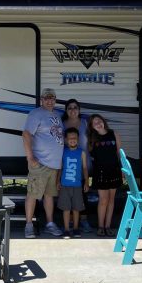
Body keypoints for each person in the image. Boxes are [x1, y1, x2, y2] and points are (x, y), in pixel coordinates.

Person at [22, 88, 65, 238]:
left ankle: (50, 224)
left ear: (55, 99)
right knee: (33, 194)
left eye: (52, 97)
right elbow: (26, 134)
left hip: (54, 165)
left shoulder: (57, 115)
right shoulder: (36, 114)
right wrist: (30, 157)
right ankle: (28, 225)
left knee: (49, 196)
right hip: (40, 163)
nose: (49, 100)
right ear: (41, 100)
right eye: (46, 98)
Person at [61, 99, 93, 233]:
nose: (72, 110)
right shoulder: (62, 124)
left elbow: (91, 140)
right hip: (68, 165)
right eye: (69, 108)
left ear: (79, 110)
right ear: (66, 110)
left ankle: (84, 220)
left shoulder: (85, 123)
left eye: (75, 107)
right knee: (69, 194)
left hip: (84, 162)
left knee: (82, 193)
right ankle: (70, 223)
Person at [87, 113, 122, 237]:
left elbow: (119, 153)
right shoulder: (92, 139)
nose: (97, 123)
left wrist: (122, 169)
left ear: (103, 121)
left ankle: (108, 226)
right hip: (100, 172)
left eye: (99, 120)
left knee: (111, 200)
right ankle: (100, 226)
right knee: (103, 200)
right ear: (91, 126)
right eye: (94, 123)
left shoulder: (114, 134)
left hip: (114, 171)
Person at [57, 127, 89, 238]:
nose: (72, 140)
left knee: (76, 209)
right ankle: (66, 229)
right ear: (66, 140)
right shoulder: (63, 152)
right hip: (65, 185)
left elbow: (85, 168)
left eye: (74, 138)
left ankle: (75, 229)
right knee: (66, 209)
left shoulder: (82, 153)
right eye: (70, 138)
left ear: (78, 139)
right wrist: (58, 181)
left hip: (77, 186)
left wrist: (86, 182)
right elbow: (60, 168)